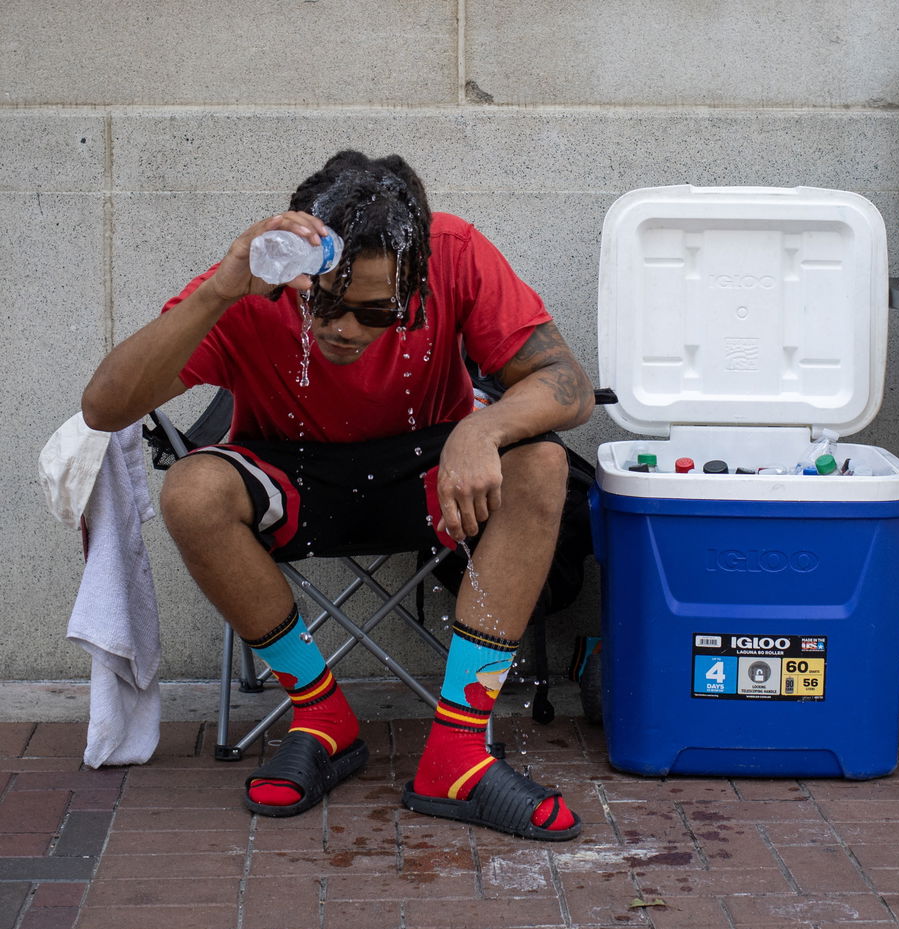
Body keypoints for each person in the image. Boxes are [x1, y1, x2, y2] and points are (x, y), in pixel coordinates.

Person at [81, 150, 594, 841]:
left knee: (541, 463)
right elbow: (103, 409)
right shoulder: (256, 282)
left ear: (415, 279)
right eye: (322, 303)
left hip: (427, 472)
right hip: (291, 475)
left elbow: (567, 381)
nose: (343, 329)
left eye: (377, 313)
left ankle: (458, 754)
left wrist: (485, 427)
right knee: (193, 489)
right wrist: (218, 292)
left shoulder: (455, 252)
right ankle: (321, 714)